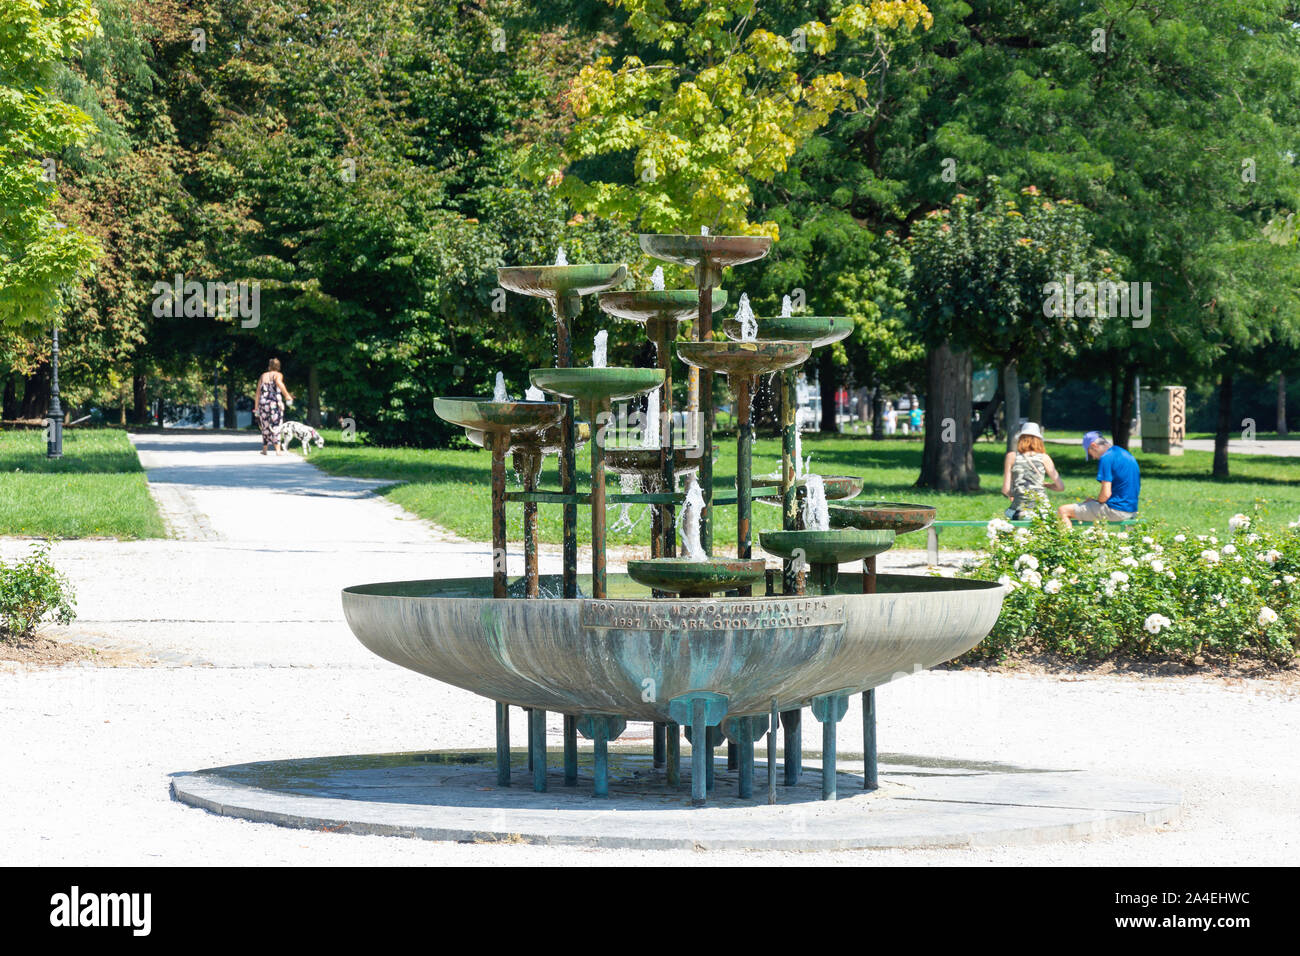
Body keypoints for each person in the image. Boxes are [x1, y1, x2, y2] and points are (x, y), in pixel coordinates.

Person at [1058, 430, 1140, 528]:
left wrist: (1095, 502)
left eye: (1090, 453)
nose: (1093, 457)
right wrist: (1095, 502)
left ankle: (1067, 541)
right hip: (1131, 509)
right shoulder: (1124, 453)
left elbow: (1106, 494)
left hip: (1117, 510)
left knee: (1063, 510)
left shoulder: (1106, 458)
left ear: (1094, 445)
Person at [1001, 422, 1064, 519]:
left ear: (1020, 439)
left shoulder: (1011, 457)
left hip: (1019, 510)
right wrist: (1046, 484)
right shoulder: (1044, 458)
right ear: (1039, 440)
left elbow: (1005, 490)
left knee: (1007, 518)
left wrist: (1017, 493)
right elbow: (1060, 487)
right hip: (1042, 510)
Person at [255, 358, 293, 455]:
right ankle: (277, 450)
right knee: (276, 425)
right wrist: (287, 395)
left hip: (263, 404)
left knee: (265, 426)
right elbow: (279, 384)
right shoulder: (278, 375)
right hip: (274, 404)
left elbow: (258, 393)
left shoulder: (263, 375)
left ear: (269, 366)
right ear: (278, 366)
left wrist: (256, 408)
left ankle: (264, 449)